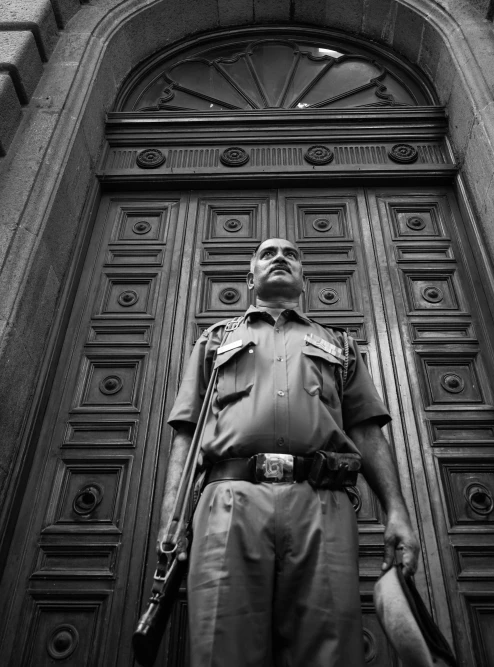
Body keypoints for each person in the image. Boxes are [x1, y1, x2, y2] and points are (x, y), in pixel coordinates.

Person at [158, 238, 420, 667]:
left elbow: (367, 430)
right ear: (250, 279)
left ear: (304, 281)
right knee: (222, 645)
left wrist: (397, 511)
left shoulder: (339, 344)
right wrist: (173, 517)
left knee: (330, 644)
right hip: (228, 503)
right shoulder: (214, 340)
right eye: (267, 254)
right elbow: (186, 431)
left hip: (322, 505)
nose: (280, 257)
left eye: (291, 255)